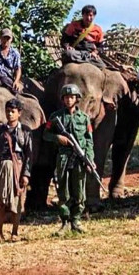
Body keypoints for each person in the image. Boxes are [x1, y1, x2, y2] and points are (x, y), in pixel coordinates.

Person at [43, 84, 95, 235]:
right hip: (64, 158)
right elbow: (46, 135)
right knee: (63, 191)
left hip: (80, 158)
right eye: (66, 97)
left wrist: (90, 159)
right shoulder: (56, 117)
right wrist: (58, 138)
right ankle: (65, 222)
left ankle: (76, 221)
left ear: (77, 99)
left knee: (79, 190)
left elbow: (89, 141)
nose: (68, 100)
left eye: (71, 97)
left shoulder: (84, 118)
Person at [0, 98, 33, 242]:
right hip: (2, 167)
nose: (10, 114)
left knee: (18, 200)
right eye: (7, 111)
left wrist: (26, 174)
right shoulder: (0, 131)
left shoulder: (26, 131)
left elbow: (29, 154)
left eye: (13, 111)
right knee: (0, 201)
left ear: (19, 113)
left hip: (18, 168)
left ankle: (15, 232)